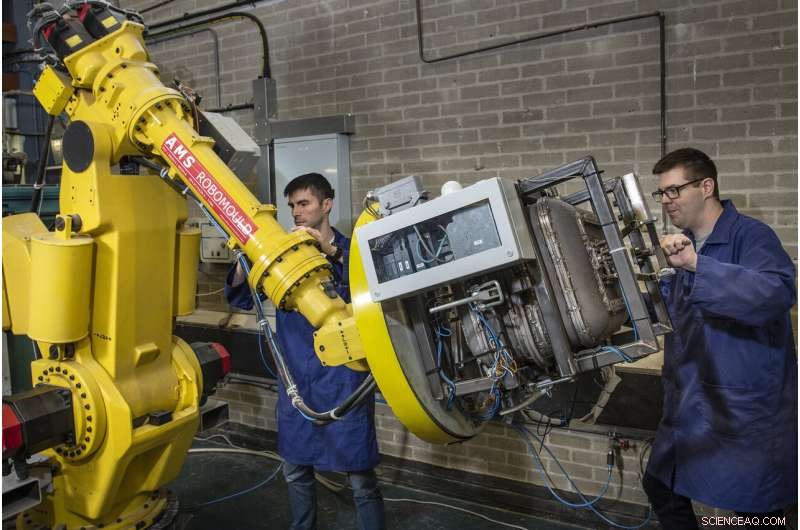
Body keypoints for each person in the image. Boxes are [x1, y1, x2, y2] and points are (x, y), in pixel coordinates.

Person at [642, 148, 797, 529]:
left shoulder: (751, 236)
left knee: (757, 514)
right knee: (661, 483)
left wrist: (697, 265)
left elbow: (775, 294)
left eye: (674, 190)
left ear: (706, 186)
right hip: (691, 402)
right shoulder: (677, 246)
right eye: (660, 193)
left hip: (743, 409)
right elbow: (672, 314)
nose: (666, 201)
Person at [225, 173, 385, 530]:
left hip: (346, 378)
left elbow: (372, 292)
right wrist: (247, 252)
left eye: (304, 204)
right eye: (292, 206)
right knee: (296, 471)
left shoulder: (352, 251)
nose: (296, 212)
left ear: (326, 205)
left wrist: (331, 254)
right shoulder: (283, 254)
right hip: (298, 377)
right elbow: (239, 297)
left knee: (360, 476)